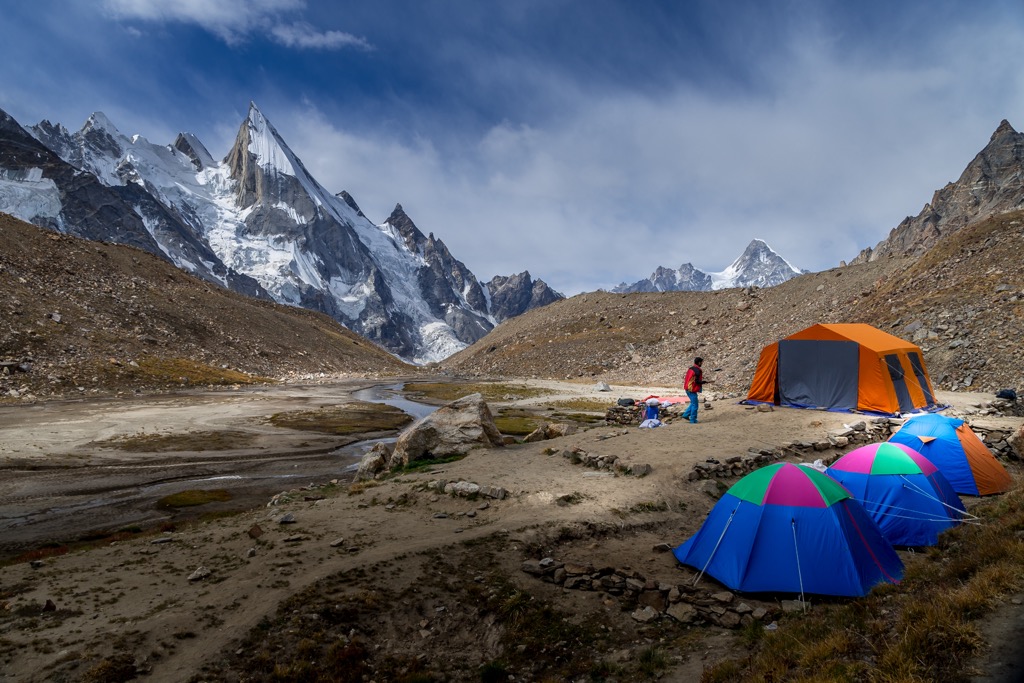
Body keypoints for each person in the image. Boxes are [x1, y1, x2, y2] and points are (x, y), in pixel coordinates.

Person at [681, 357, 712, 423]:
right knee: (695, 405)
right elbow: (697, 381)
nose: (702, 364)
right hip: (691, 389)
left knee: (693, 403)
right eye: (701, 362)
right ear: (699, 362)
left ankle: (686, 415)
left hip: (687, 388)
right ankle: (693, 420)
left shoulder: (691, 368)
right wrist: (704, 382)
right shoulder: (697, 370)